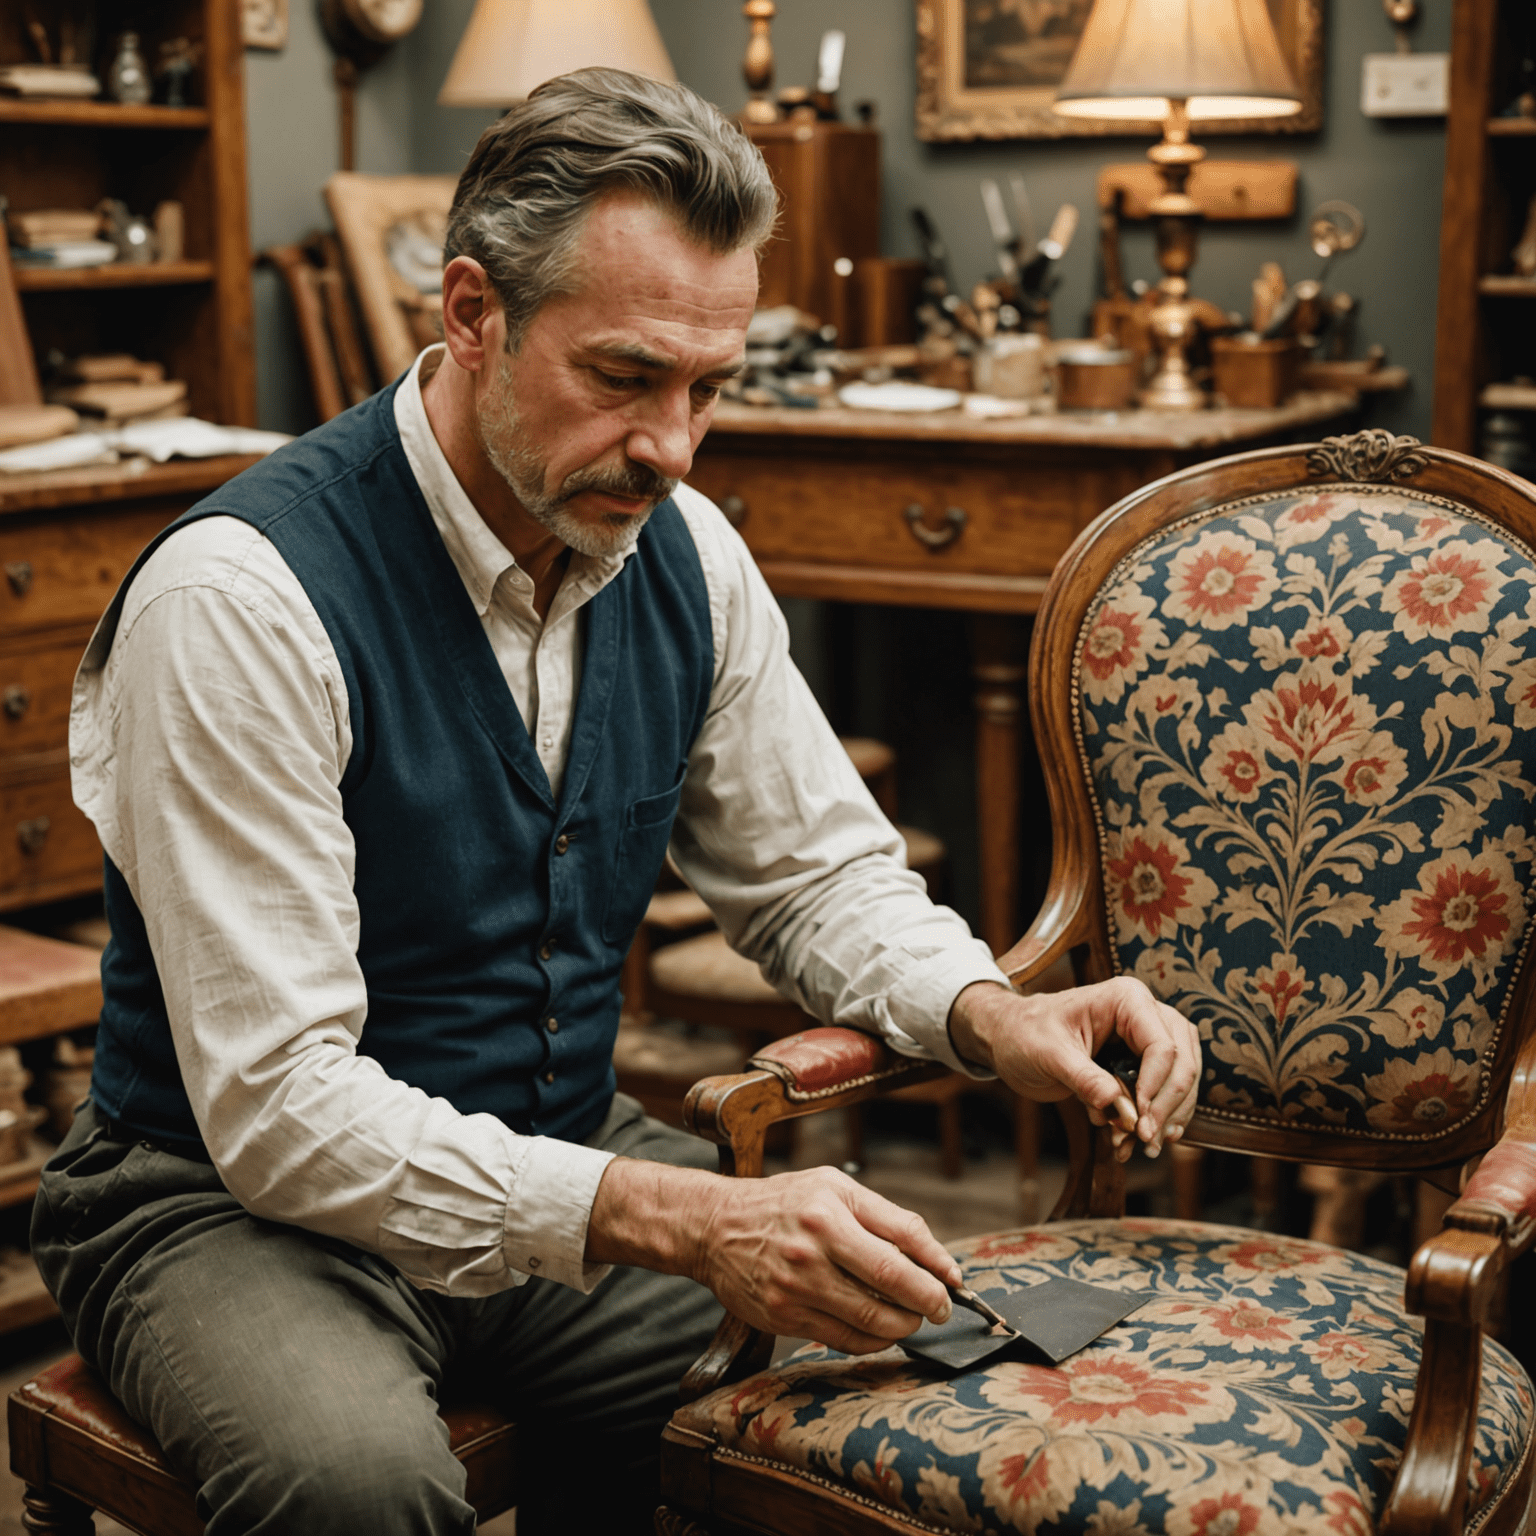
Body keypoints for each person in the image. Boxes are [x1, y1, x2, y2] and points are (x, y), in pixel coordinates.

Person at [33, 69, 1199, 1534]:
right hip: (228, 1206)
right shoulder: (240, 600)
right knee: (357, 1487)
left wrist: (990, 1013)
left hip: (550, 1151)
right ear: (471, 314)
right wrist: (692, 1217)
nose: (673, 446)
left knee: (908, 1368)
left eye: (708, 388)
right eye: (626, 376)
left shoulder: (686, 552)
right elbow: (279, 1112)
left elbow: (815, 875)